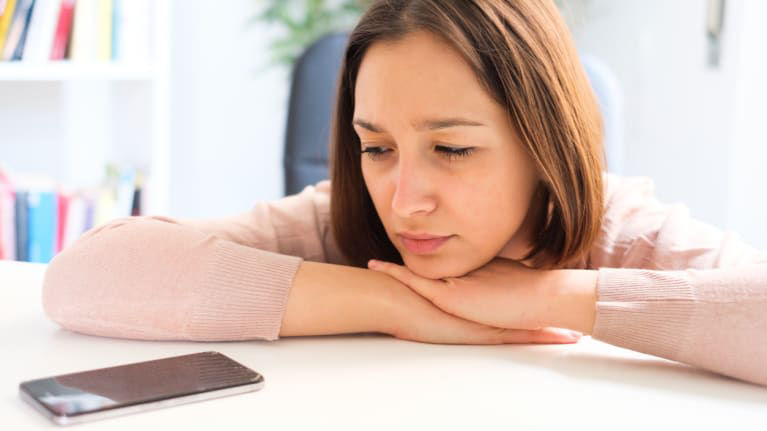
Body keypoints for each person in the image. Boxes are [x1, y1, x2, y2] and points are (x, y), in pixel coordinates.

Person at [42, 0, 767, 387]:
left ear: (543, 147)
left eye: (451, 148)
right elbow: (83, 277)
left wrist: (544, 297)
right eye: (376, 147)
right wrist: (398, 303)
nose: (403, 198)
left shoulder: (626, 230)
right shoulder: (346, 220)